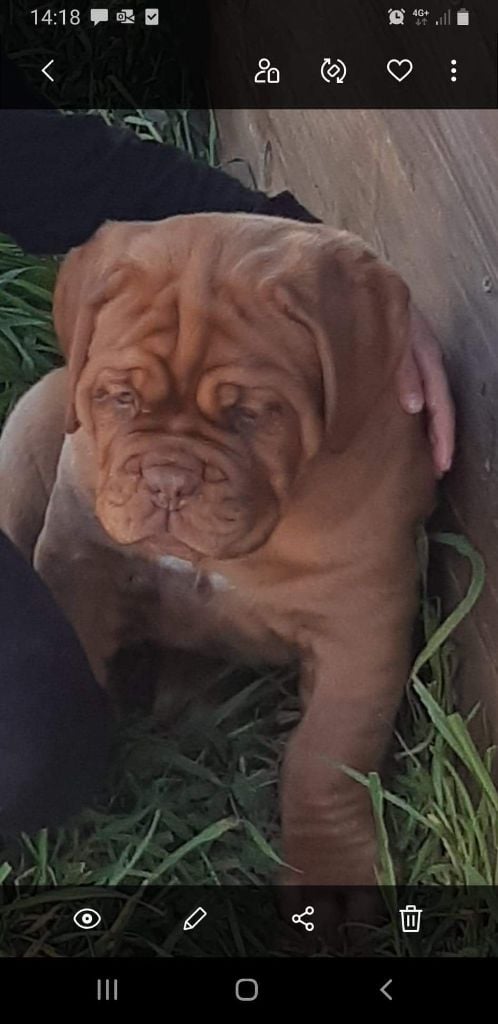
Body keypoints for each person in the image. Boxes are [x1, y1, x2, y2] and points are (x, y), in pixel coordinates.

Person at [0, 105, 455, 836]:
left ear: (345, 367)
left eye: (243, 414)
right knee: (40, 432)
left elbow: (359, 642)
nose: (170, 476)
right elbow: (76, 566)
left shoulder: (366, 468)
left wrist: (325, 809)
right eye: (123, 397)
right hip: (103, 574)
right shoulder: (94, 455)